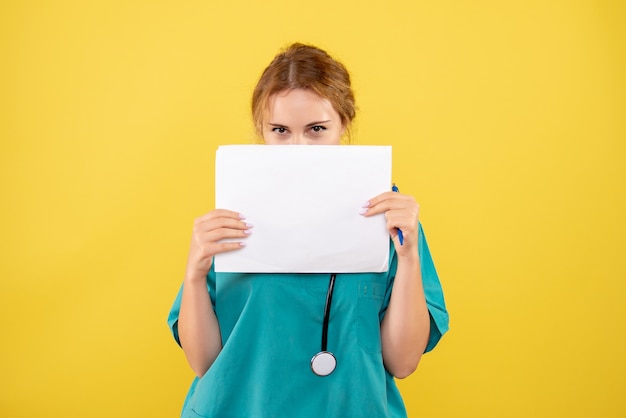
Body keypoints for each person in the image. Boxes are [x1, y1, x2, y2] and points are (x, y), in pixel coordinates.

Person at [168, 43, 449, 418]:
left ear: (344, 125)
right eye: (280, 130)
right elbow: (204, 364)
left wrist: (409, 255)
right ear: (261, 130)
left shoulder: (390, 220)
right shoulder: (232, 217)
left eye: (316, 129)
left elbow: (403, 362)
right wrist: (194, 274)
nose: (297, 147)